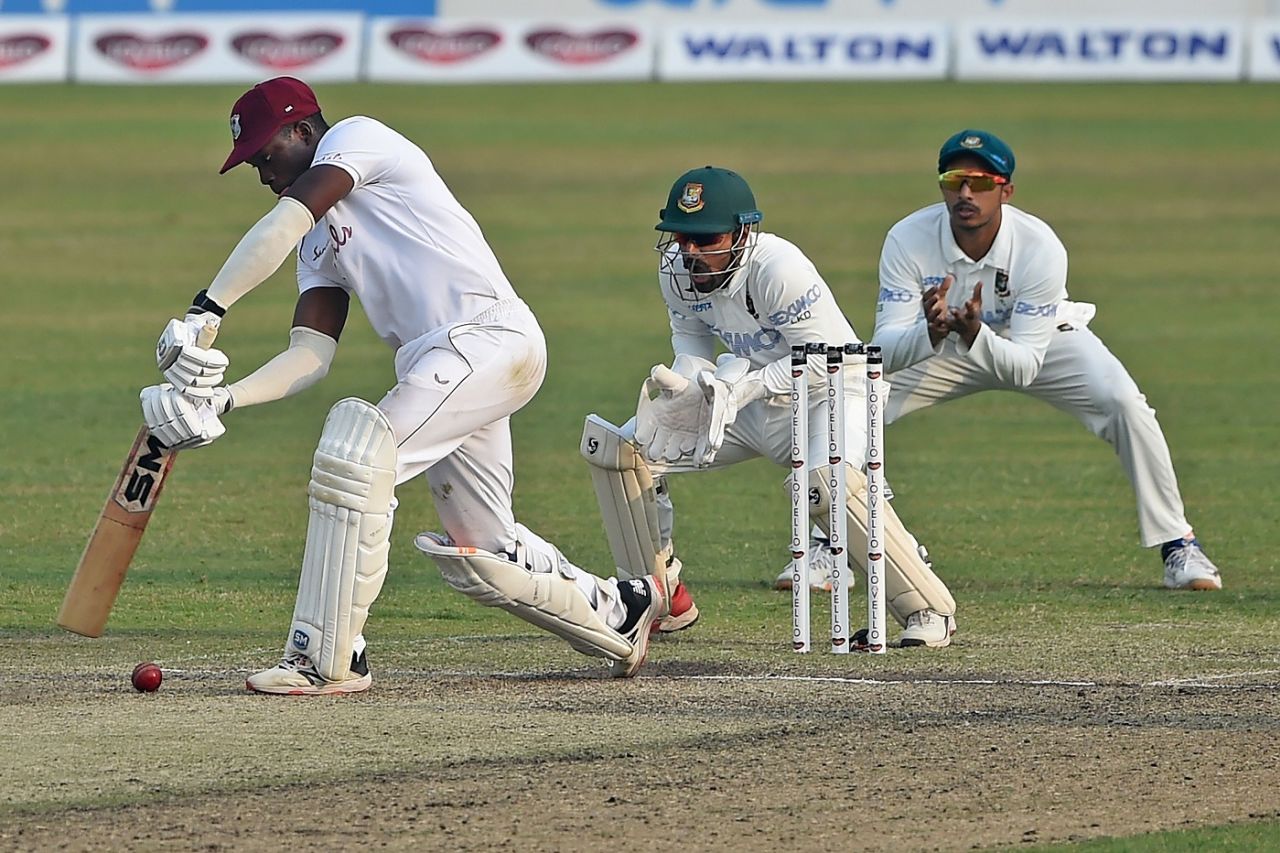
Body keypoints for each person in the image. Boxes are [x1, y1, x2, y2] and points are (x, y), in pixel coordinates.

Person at [139, 76, 674, 695]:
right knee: (482, 548)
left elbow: (285, 219)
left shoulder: (358, 139)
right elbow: (309, 355)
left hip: (486, 339)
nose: (263, 171)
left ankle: (329, 657)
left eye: (266, 154)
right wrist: (223, 399)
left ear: (304, 130)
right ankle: (621, 611)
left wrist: (209, 309)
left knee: (358, 458)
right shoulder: (318, 240)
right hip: (443, 367)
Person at [580, 166, 957, 648]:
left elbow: (827, 357)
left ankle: (927, 610)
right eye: (681, 238)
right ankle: (658, 595)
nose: (691, 252)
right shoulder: (676, 270)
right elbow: (691, 342)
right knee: (621, 452)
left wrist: (745, 388)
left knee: (826, 485)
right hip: (746, 398)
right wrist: (691, 387)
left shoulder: (778, 268)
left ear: (741, 232)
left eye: (706, 239)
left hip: (835, 394)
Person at [872, 129, 1222, 591]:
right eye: (954, 180)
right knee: (856, 399)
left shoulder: (1039, 246)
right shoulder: (907, 237)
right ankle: (835, 542)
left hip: (1040, 342)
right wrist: (929, 331)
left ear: (1006, 190)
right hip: (945, 343)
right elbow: (881, 353)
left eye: (979, 183)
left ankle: (1179, 544)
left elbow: (1023, 366)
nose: (964, 194)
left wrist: (976, 332)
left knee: (1124, 403)